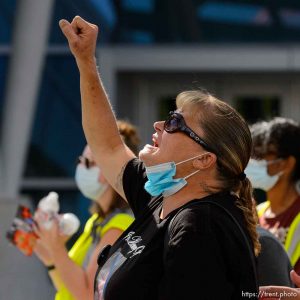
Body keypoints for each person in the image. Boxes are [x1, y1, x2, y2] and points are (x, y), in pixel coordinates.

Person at [59, 16, 260, 299]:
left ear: (204, 159)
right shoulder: (167, 199)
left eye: (176, 124)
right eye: (170, 117)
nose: (160, 126)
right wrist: (86, 63)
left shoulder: (199, 227)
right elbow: (108, 147)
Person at [33, 120, 140, 300]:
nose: (81, 168)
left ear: (111, 169)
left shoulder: (121, 226)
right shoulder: (97, 221)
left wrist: (57, 247)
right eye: (80, 161)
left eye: (89, 163)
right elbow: (68, 289)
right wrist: (50, 258)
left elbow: (87, 295)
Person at [245, 117, 300, 273]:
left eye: (261, 155)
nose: (252, 162)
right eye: (252, 154)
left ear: (287, 163)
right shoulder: (258, 212)